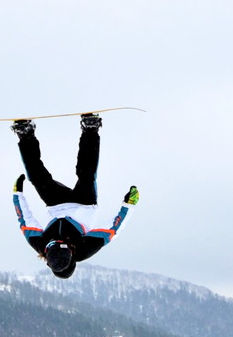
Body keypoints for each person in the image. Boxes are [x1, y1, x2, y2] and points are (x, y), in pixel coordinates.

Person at [11, 113, 139, 278]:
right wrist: (128, 205)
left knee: (36, 177)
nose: (58, 242)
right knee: (86, 173)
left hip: (56, 205)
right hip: (85, 204)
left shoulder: (40, 244)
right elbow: (112, 229)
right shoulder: (85, 249)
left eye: (53, 244)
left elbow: (24, 220)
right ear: (71, 253)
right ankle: (90, 129)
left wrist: (17, 194)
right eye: (62, 244)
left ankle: (26, 134)